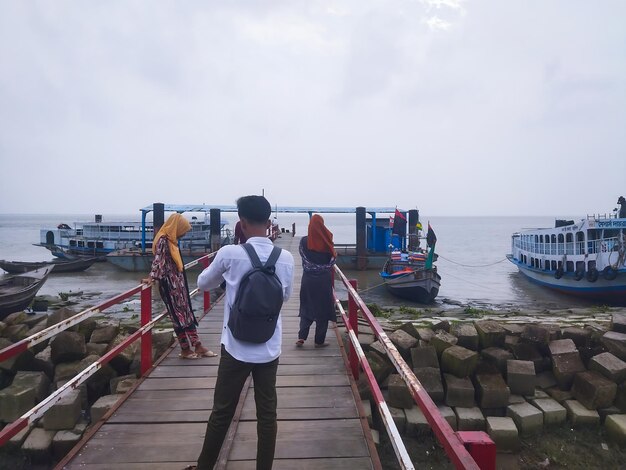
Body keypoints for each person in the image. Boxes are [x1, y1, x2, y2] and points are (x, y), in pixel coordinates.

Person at [195, 195, 294, 470]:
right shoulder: (285, 258)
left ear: (242, 221)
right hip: (269, 348)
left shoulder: (230, 253)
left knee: (221, 413)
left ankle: (205, 466)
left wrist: (229, 278)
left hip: (235, 348)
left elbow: (203, 284)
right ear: (269, 222)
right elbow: (285, 296)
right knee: (267, 415)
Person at [144, 213, 216, 359]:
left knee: (186, 313)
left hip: (178, 284)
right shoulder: (164, 240)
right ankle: (186, 348)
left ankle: (197, 346)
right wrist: (151, 277)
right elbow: (159, 261)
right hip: (169, 285)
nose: (184, 233)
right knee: (178, 317)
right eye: (183, 230)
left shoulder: (171, 240)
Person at [295, 214, 337, 348]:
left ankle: (302, 337)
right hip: (324, 280)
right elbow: (332, 260)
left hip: (308, 279)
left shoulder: (303, 241)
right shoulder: (327, 241)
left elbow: (303, 258)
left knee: (307, 306)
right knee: (323, 309)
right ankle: (319, 340)